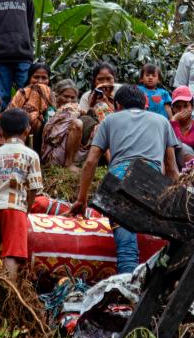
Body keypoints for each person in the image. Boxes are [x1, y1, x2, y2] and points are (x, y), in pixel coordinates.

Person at [69, 85, 180, 274]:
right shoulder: (162, 121)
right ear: (145, 104)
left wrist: (81, 198)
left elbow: (90, 162)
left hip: (119, 182)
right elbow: (171, 169)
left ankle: (126, 294)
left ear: (117, 105)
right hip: (151, 184)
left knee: (126, 245)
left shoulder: (110, 120)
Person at [0, 109, 43, 280]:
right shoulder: (31, 155)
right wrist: (26, 209)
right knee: (12, 255)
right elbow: (34, 188)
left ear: (1, 131)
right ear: (27, 130)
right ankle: (10, 293)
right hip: (16, 209)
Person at [41, 79, 84, 169]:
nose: (69, 100)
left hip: (71, 151)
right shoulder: (50, 110)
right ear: (57, 96)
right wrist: (67, 115)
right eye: (66, 96)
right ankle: (69, 164)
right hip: (53, 154)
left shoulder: (77, 110)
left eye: (73, 98)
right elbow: (53, 137)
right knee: (77, 123)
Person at [8, 62, 53, 135]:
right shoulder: (21, 93)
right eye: (36, 77)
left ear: (48, 80)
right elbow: (10, 113)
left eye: (44, 78)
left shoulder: (52, 96)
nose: (40, 81)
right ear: (29, 78)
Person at [170, 86, 194, 162]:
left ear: (192, 107)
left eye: (185, 106)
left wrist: (174, 122)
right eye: (178, 107)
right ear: (173, 109)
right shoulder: (169, 124)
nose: (182, 110)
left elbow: (186, 144)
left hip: (192, 166)